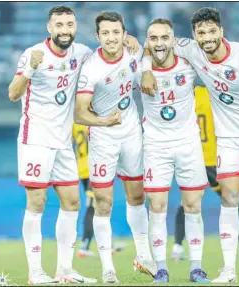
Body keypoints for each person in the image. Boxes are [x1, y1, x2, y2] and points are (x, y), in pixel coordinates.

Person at [141, 7, 239, 284]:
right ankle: (228, 270)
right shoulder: (191, 49)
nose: (206, 37)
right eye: (201, 32)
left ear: (221, 31)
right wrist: (147, 69)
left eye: (211, 31)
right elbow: (153, 43)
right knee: (229, 199)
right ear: (194, 34)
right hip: (228, 138)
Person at [7, 5, 97, 285]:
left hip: (63, 141)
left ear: (75, 26)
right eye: (59, 25)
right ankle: (35, 272)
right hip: (36, 138)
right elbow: (13, 93)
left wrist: (128, 40)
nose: (65, 30)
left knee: (72, 202)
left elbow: (107, 58)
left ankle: (65, 270)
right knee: (37, 202)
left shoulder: (81, 53)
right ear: (49, 28)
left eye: (69, 24)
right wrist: (31, 69)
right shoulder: (33, 54)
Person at [74, 11, 155, 283]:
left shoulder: (134, 53)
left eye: (116, 32)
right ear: (98, 36)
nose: (111, 38)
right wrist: (102, 121)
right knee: (103, 203)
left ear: (123, 34)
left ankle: (143, 257)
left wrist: (144, 70)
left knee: (137, 197)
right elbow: (79, 113)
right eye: (105, 33)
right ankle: (108, 267)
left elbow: (147, 50)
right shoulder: (91, 68)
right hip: (102, 137)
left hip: (132, 133)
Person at [139, 18, 211, 283]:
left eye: (164, 37)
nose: (159, 43)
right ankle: (161, 268)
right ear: (148, 41)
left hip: (188, 143)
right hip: (155, 146)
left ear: (173, 40)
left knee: (193, 205)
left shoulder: (188, 64)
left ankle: (196, 268)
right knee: (156, 206)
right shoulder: (138, 66)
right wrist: (145, 67)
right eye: (153, 38)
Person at [172, 85, 239, 261]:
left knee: (186, 204)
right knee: (231, 202)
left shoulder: (183, 98)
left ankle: (177, 248)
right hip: (213, 160)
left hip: (191, 160)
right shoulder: (213, 95)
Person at [72, 123, 125, 258]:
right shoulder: (95, 121)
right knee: (93, 206)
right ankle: (85, 245)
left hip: (82, 168)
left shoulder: (76, 123)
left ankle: (108, 244)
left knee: (99, 206)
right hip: (94, 168)